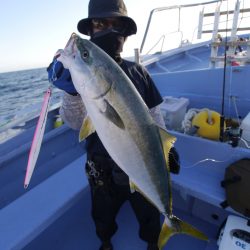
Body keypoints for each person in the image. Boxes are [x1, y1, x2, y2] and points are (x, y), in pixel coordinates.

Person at [47, 0, 180, 249]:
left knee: (149, 215)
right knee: (103, 216)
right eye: (100, 24)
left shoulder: (139, 72)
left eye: (115, 24)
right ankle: (106, 242)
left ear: (125, 33)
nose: (108, 30)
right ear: (91, 31)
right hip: (102, 171)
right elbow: (76, 123)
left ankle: (156, 240)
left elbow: (153, 115)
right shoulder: (82, 78)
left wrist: (167, 150)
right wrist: (72, 93)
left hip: (140, 165)